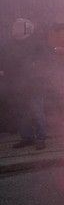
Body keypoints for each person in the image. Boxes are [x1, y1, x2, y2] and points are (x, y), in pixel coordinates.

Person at [0, 18, 50, 150]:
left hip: (33, 84)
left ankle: (40, 139)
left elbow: (45, 61)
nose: (12, 28)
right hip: (15, 84)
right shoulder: (9, 44)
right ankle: (27, 138)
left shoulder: (36, 44)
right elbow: (3, 60)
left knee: (37, 112)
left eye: (16, 26)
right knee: (21, 113)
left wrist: (35, 67)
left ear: (26, 29)